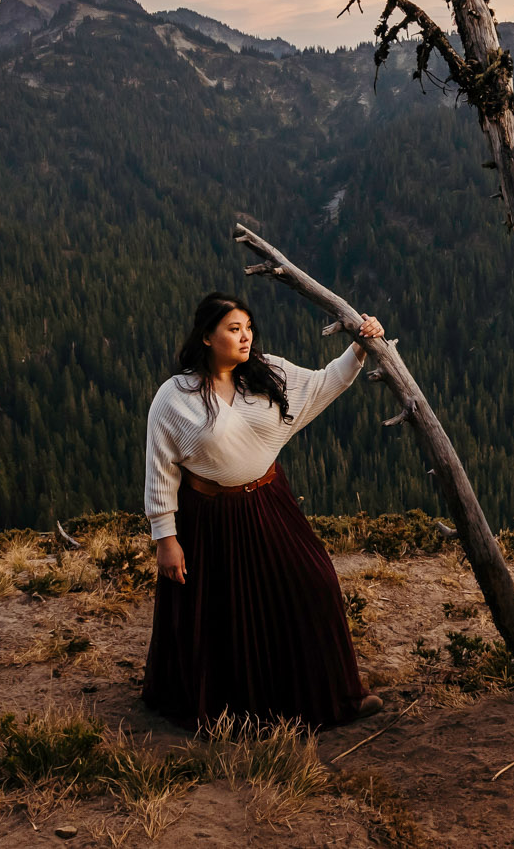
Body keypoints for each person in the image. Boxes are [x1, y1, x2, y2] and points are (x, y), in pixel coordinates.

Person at [141, 290, 387, 730]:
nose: (245, 337)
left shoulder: (268, 374)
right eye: (234, 329)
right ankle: (232, 714)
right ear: (206, 337)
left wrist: (359, 346)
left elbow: (323, 383)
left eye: (248, 327)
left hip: (271, 503)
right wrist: (166, 539)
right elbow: (160, 470)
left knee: (316, 586)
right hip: (208, 518)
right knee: (222, 616)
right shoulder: (174, 396)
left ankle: (337, 697)